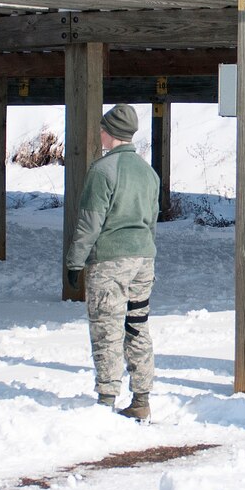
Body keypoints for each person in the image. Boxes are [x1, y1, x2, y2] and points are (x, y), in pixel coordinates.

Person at [67, 104, 162, 418]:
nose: (100, 134)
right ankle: (141, 398)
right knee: (137, 326)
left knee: (107, 329)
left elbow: (90, 222)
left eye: (102, 129)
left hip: (109, 261)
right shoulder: (148, 172)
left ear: (111, 133)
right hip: (143, 260)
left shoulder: (102, 170)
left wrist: (74, 262)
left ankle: (106, 398)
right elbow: (151, 220)